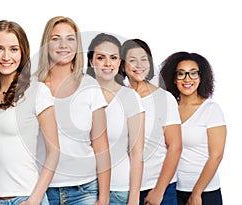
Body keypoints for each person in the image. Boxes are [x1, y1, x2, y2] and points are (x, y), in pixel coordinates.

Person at [0, 20, 60, 205]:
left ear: (23, 52)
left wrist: (34, 199)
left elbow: (54, 152)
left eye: (13, 49)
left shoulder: (37, 91)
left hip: (25, 197)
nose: (6, 56)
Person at [34, 16, 111, 205]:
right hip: (39, 190)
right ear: (46, 44)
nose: (63, 45)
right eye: (55, 38)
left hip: (83, 191)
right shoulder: (31, 86)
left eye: (70, 38)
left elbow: (101, 145)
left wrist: (104, 197)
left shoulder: (90, 86)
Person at [119, 39, 182, 205]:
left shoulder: (164, 99)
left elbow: (175, 147)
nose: (139, 64)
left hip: (158, 187)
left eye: (144, 59)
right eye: (132, 60)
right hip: (124, 188)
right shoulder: (118, 98)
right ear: (123, 65)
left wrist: (159, 191)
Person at [159, 51, 227, 205]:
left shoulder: (211, 109)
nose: (187, 79)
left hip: (205, 192)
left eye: (193, 73)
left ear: (200, 77)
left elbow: (216, 155)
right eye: (181, 74)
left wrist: (197, 193)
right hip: (173, 189)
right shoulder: (169, 108)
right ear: (174, 79)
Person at [87, 33, 145, 204]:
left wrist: (134, 198)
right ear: (91, 61)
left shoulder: (130, 98)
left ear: (119, 62)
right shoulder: (81, 95)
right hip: (84, 189)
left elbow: (136, 152)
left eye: (113, 58)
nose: (107, 63)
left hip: (119, 190)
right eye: (100, 57)